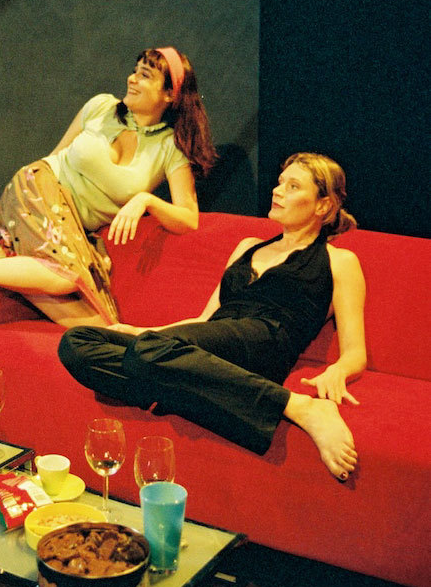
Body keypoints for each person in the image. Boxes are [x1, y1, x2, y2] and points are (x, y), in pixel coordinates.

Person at [58, 153, 367, 481]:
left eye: (293, 186)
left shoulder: (340, 262)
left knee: (146, 352)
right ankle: (183, 387)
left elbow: (355, 352)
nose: (277, 191)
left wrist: (338, 370)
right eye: (280, 183)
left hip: (265, 342)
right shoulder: (248, 246)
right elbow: (206, 320)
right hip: (217, 339)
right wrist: (145, 331)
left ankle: (298, 406)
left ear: (323, 205)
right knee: (77, 343)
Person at [0, 47, 216, 326]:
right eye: (134, 71)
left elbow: (189, 217)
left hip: (73, 227)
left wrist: (147, 200)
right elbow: (54, 157)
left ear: (170, 94)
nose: (132, 79)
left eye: (145, 75)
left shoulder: (169, 147)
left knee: (102, 320)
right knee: (62, 276)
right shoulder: (101, 107)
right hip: (39, 187)